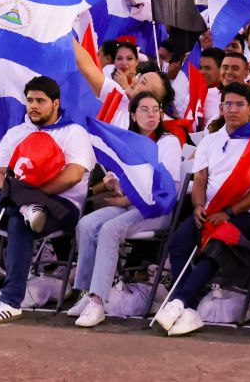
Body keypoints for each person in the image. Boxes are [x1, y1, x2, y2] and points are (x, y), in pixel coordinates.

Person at [0, 75, 96, 324]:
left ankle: (10, 302)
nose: (33, 106)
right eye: (30, 100)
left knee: (19, 222)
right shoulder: (16, 133)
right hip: (20, 204)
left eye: (40, 101)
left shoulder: (74, 132)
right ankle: (25, 207)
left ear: (55, 103)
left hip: (61, 205)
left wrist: (31, 195)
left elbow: (73, 176)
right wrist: (22, 198)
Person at [154, 82, 250, 337]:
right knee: (179, 240)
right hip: (210, 210)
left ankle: (180, 301)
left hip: (246, 215)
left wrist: (229, 213)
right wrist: (198, 206)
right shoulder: (210, 140)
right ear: (221, 108)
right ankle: (190, 305)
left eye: (239, 105)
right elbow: (200, 180)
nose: (233, 109)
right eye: (228, 104)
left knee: (219, 240)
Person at [68, 91, 184, 328]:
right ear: (133, 115)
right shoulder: (127, 141)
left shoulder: (168, 142)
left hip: (157, 211)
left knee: (110, 229)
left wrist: (126, 198)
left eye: (156, 109)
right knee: (86, 224)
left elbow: (166, 189)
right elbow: (129, 182)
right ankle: (86, 293)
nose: (152, 114)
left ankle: (98, 302)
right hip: (131, 206)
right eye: (145, 109)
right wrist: (115, 184)